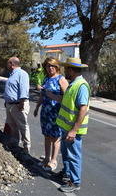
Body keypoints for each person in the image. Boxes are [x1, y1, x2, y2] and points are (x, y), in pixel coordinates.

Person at [47, 58, 90, 193]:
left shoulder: (81, 85)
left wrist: (74, 130)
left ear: (71, 70)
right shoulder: (74, 84)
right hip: (66, 128)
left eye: (67, 69)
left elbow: (83, 109)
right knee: (66, 154)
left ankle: (74, 182)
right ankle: (66, 174)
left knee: (73, 156)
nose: (65, 71)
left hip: (72, 130)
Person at [33, 57, 69, 171]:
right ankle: (46, 159)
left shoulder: (61, 79)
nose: (50, 68)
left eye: (52, 66)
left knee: (55, 137)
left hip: (56, 113)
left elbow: (67, 98)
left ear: (57, 67)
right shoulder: (46, 79)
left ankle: (54, 161)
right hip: (46, 112)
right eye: (48, 66)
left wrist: (51, 95)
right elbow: (42, 95)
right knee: (47, 136)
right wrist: (37, 107)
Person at [3, 57, 30, 154]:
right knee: (12, 125)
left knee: (23, 126)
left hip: (18, 104)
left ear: (11, 64)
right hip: (10, 105)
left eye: (8, 63)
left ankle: (26, 148)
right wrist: (6, 101)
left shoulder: (22, 74)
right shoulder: (12, 74)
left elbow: (24, 89)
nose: (7, 65)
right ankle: (15, 144)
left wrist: (21, 103)